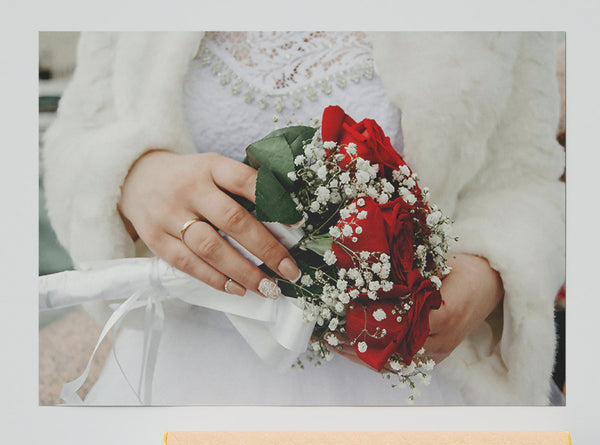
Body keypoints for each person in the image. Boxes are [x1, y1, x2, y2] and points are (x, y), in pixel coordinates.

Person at [43, 31, 565, 405]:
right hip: (183, 371)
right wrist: (133, 176)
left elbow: (529, 176)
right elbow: (77, 138)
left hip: (405, 386)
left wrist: (488, 275)